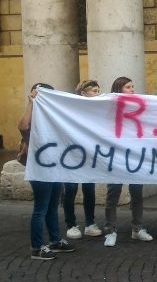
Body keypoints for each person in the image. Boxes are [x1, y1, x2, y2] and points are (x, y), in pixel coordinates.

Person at [20, 82, 76, 260]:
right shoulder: (33, 115)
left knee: (52, 206)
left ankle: (55, 240)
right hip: (40, 169)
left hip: (55, 167)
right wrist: (31, 103)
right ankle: (36, 247)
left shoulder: (52, 117)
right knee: (41, 208)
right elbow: (22, 127)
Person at [103, 77, 153, 247]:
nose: (132, 89)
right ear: (119, 89)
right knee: (113, 193)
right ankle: (110, 230)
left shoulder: (138, 106)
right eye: (128, 87)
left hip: (134, 156)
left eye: (133, 86)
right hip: (116, 156)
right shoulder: (109, 106)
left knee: (137, 193)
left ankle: (137, 228)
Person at [63, 80, 103, 240]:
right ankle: (71, 225)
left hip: (89, 156)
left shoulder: (98, 110)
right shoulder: (71, 109)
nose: (97, 93)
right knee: (71, 189)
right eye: (94, 90)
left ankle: (90, 223)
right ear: (83, 93)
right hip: (71, 156)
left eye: (98, 90)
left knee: (89, 189)